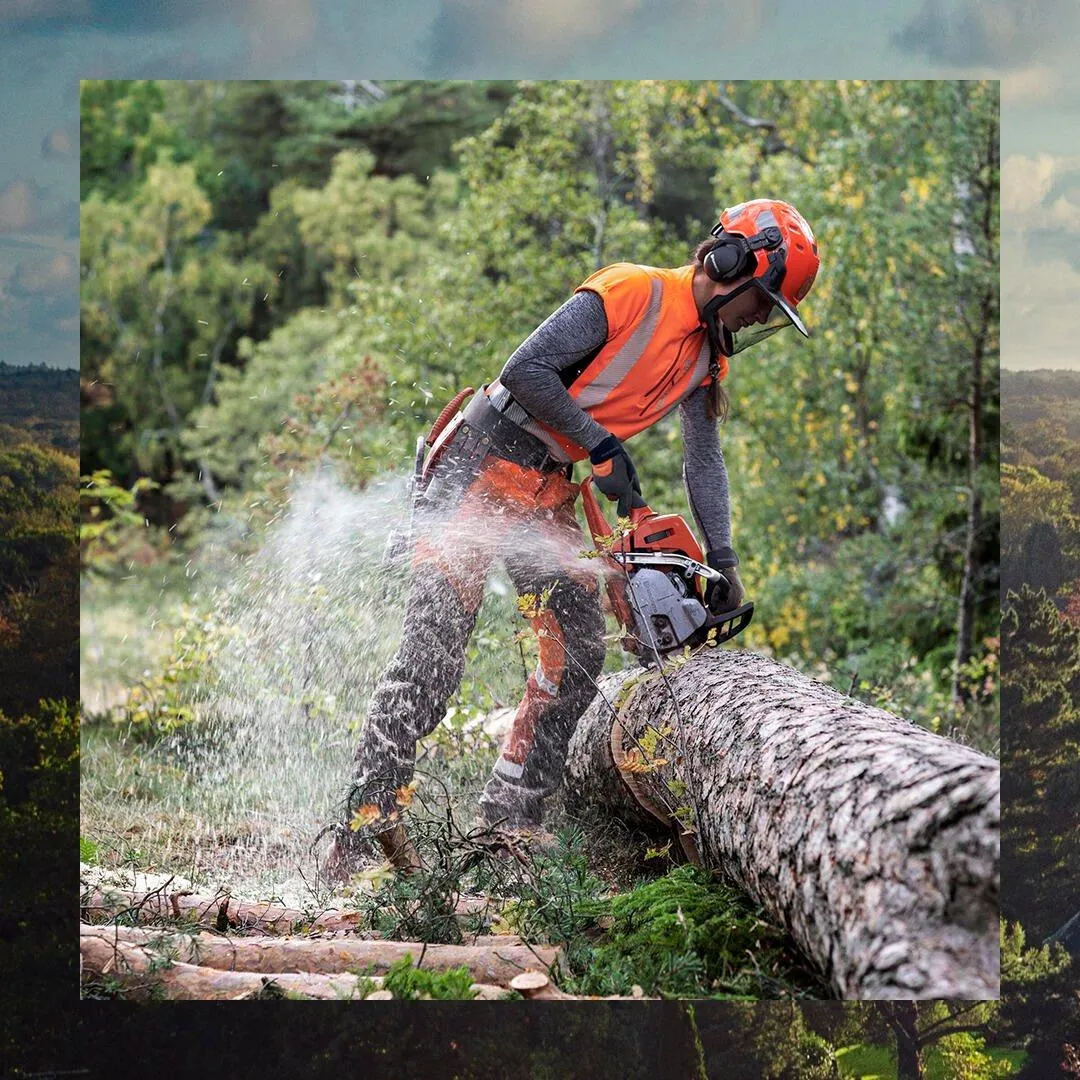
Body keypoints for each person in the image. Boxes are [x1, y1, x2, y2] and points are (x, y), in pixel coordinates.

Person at [322, 198, 820, 879]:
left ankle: (507, 830)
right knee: (432, 661)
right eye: (762, 303)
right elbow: (525, 368)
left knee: (578, 656)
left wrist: (724, 557)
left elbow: (703, 460)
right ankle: (359, 833)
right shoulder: (630, 292)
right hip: (479, 462)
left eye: (770, 314)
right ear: (729, 264)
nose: (759, 319)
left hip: (550, 484)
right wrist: (600, 443)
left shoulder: (707, 357)